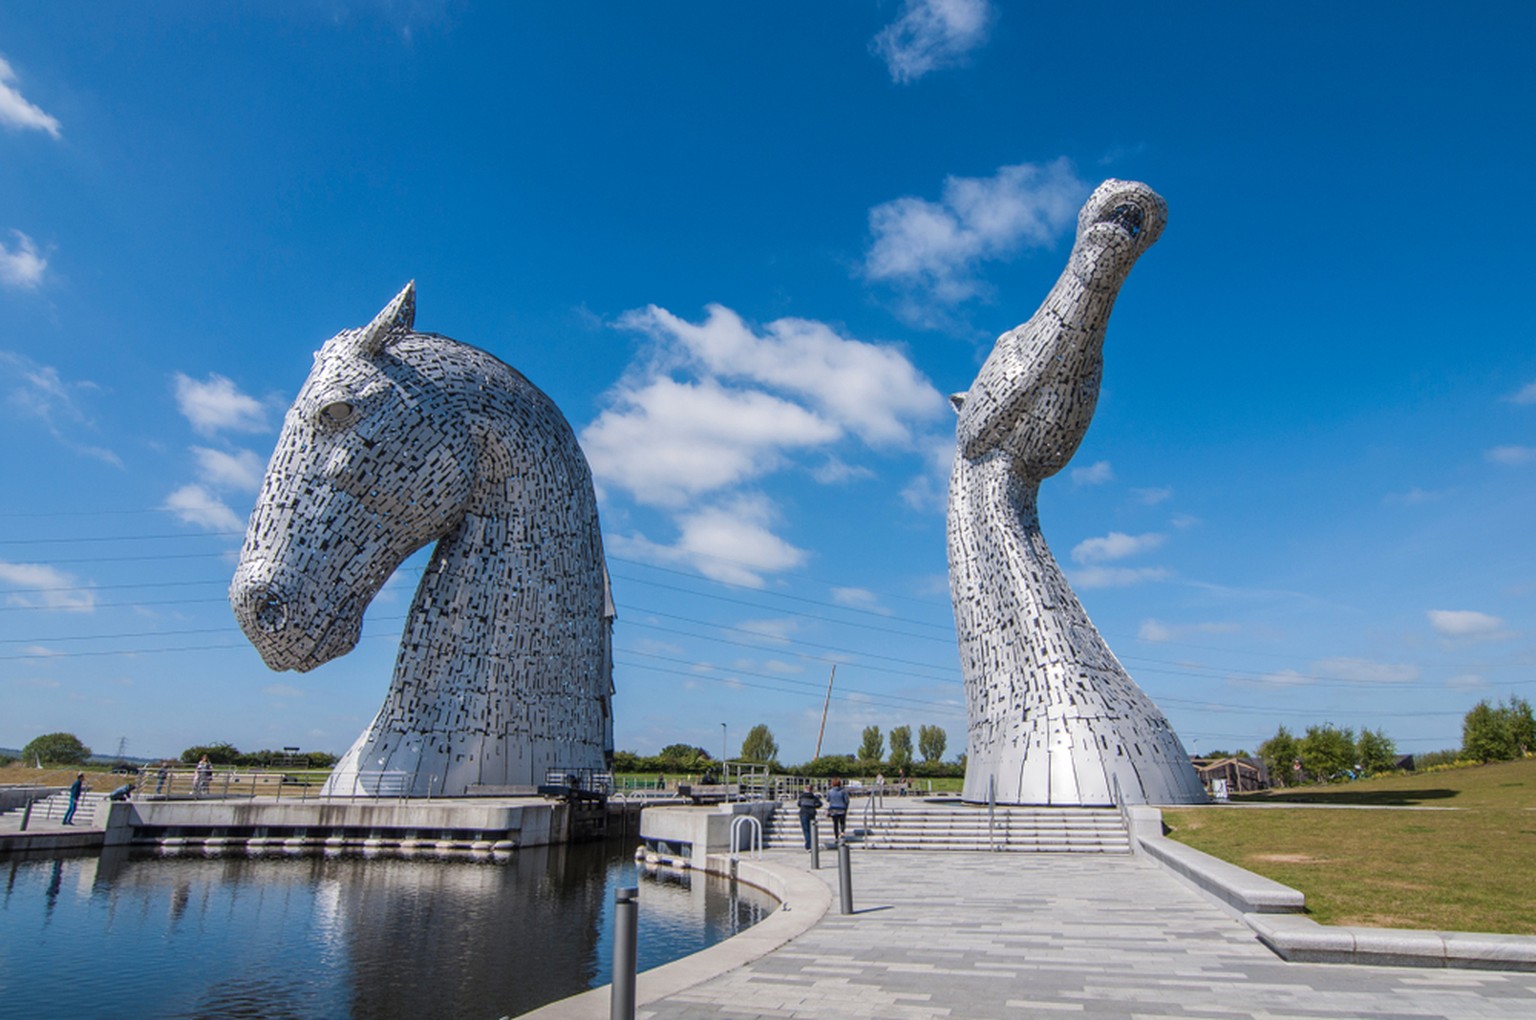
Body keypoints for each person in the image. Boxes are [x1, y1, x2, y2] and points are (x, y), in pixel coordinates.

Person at [796, 783, 823, 851]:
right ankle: (812, 844)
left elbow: (799, 804)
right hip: (811, 813)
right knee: (811, 830)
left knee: (806, 830)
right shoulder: (814, 797)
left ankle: (809, 845)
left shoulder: (802, 796)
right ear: (811, 790)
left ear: (805, 789)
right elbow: (820, 804)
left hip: (803, 813)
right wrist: (814, 806)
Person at [825, 777, 850, 842]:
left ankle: (836, 836)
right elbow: (847, 800)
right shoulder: (843, 791)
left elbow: (827, 799)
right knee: (842, 822)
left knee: (835, 823)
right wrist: (846, 807)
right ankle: (842, 833)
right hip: (842, 808)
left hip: (833, 809)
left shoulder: (830, 791)